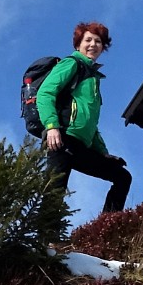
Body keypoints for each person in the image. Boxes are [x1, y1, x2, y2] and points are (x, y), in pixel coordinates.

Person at [35, 20, 131, 215]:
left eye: (98, 41)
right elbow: (45, 93)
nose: (93, 44)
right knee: (55, 189)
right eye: (88, 40)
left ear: (103, 47)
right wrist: (52, 126)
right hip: (61, 138)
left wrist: (102, 152)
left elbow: (89, 123)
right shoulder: (71, 64)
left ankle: (108, 227)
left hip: (81, 145)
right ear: (78, 44)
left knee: (122, 177)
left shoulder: (92, 78)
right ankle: (47, 241)